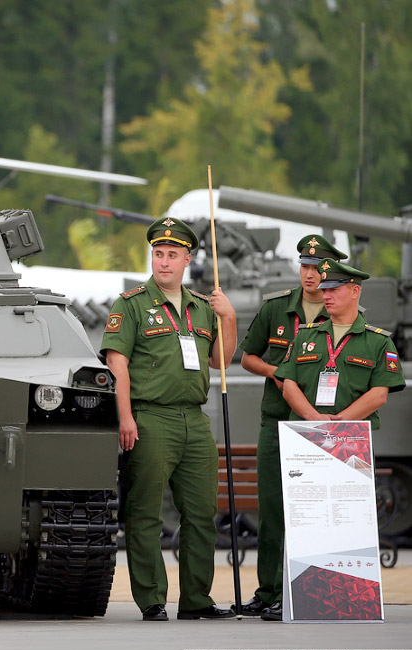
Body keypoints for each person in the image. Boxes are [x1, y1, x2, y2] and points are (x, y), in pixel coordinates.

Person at [100, 217, 237, 622]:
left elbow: (219, 361)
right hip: (150, 417)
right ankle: (152, 599)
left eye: (172, 255)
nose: (163, 262)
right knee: (145, 514)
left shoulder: (200, 306)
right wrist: (125, 417)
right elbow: (117, 364)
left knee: (201, 514)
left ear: (187, 260)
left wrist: (228, 319)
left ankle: (196, 599)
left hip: (194, 421)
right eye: (158, 254)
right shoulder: (132, 304)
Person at [272, 258, 405, 620]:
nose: (325, 295)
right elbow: (288, 385)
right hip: (309, 441)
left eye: (333, 289)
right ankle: (308, 599)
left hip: (351, 443)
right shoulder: (305, 337)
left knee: (347, 522)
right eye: (324, 290)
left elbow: (379, 393)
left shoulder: (378, 342)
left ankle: (350, 599)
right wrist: (315, 420)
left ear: (354, 291)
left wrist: (341, 422)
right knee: (309, 520)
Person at [238, 235, 347, 619]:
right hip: (278, 419)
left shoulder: (344, 311)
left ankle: (310, 590)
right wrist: (280, 375)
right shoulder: (276, 308)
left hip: (323, 423)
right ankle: (268, 591)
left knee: (320, 511)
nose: (310, 274)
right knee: (272, 510)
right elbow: (248, 356)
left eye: (318, 268)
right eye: (304, 266)